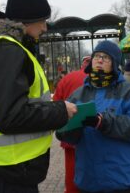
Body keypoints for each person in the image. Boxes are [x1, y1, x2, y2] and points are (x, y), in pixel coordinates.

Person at [0, 0, 77, 193]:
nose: (44, 27)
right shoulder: (5, 49)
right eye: (42, 20)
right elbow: (11, 116)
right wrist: (61, 110)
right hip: (6, 169)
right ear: (28, 20)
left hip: (6, 166)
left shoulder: (6, 47)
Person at [56, 40, 130, 193]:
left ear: (114, 63)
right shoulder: (78, 94)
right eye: (97, 56)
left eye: (106, 57)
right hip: (89, 180)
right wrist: (70, 127)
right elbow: (64, 133)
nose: (100, 60)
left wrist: (104, 122)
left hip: (123, 181)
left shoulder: (129, 92)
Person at [53, 56, 91, 193]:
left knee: (72, 172)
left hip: (70, 134)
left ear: (82, 64)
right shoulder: (100, 79)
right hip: (95, 133)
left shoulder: (68, 78)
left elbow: (56, 103)